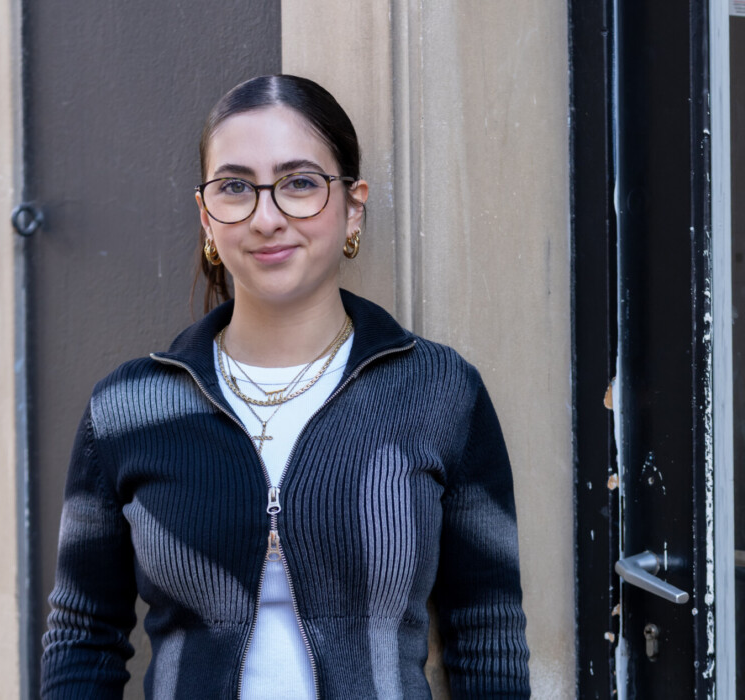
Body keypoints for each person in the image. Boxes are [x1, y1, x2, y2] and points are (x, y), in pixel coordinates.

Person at [40, 74, 530, 699]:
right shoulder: (129, 409)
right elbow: (83, 635)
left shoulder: (439, 392)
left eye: (300, 183)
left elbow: (486, 629)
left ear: (353, 205)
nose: (266, 218)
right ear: (207, 216)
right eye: (236, 187)